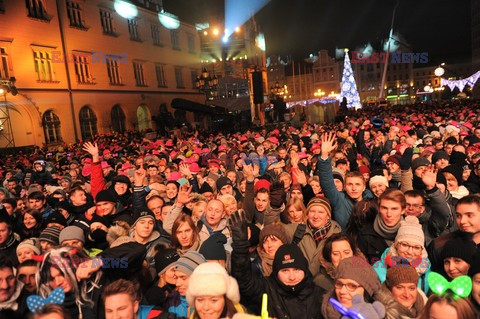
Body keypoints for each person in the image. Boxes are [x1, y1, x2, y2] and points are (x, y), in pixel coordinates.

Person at [230, 211, 325, 319]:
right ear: (276, 271)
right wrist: (240, 247)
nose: (292, 276)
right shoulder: (267, 289)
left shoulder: (321, 296)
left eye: (297, 270)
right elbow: (244, 280)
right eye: (285, 271)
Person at [316, 132, 371, 229]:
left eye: (358, 184)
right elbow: (327, 183)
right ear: (344, 186)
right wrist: (324, 154)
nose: (354, 188)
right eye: (350, 184)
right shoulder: (339, 199)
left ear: (364, 187)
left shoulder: (371, 200)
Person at [282, 196, 341, 285]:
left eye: (321, 212)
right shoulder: (298, 229)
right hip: (300, 285)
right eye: (312, 211)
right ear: (307, 214)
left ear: (328, 216)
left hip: (326, 288)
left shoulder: (337, 235)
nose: (315, 216)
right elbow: (274, 230)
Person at [373, 216, 431, 293]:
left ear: (421, 250)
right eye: (404, 245)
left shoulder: (427, 272)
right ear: (396, 245)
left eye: (416, 247)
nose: (410, 252)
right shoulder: (378, 270)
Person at [321, 256, 388, 319]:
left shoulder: (378, 315)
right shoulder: (321, 310)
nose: (342, 291)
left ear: (366, 291)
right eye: (339, 284)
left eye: (352, 286)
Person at [357, 189, 406, 265]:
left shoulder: (413, 233)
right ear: (379, 208)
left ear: (403, 210)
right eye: (384, 208)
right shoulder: (365, 234)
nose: (389, 214)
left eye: (394, 209)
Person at [165, 251, 206, 318]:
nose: (177, 284)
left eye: (183, 278)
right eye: (176, 277)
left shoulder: (210, 305)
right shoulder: (172, 301)